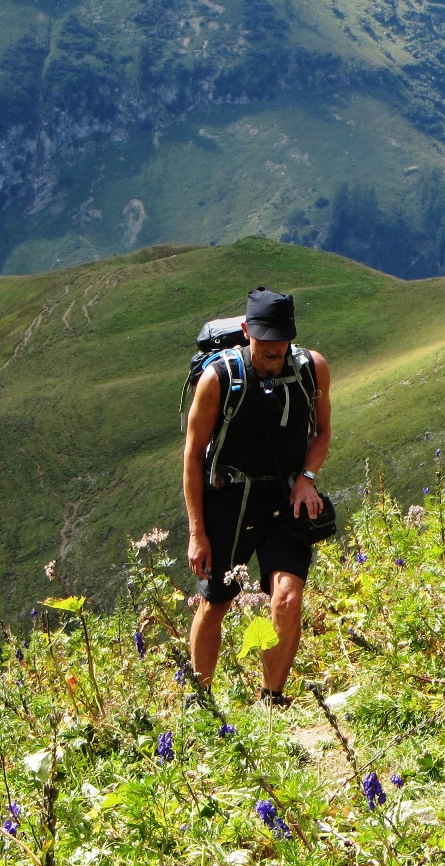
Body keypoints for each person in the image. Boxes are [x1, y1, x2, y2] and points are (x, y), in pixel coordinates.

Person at [183, 287, 331, 706]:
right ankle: (202, 700)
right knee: (216, 601)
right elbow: (193, 457)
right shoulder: (218, 380)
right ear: (247, 332)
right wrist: (198, 531)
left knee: (288, 594)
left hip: (285, 497)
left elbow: (322, 433)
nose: (273, 350)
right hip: (229, 500)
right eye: (264, 341)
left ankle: (272, 697)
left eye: (280, 341)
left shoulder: (311, 369)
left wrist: (306, 477)